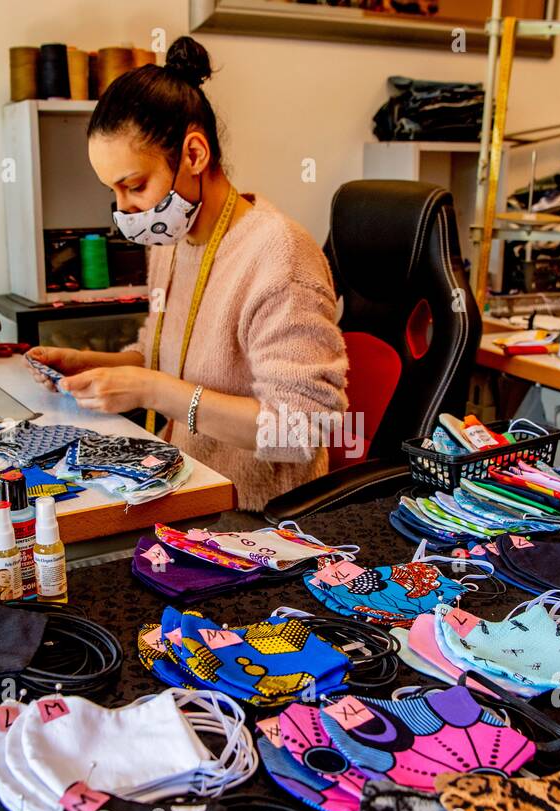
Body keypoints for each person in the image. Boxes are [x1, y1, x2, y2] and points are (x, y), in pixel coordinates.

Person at [26, 37, 347, 512]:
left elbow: (300, 428)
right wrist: (90, 363)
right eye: (113, 192)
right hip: (185, 491)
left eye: (134, 186)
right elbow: (167, 362)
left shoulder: (280, 257)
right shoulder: (175, 243)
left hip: (257, 519)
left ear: (194, 154)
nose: (124, 209)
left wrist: (153, 391)